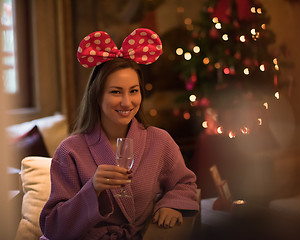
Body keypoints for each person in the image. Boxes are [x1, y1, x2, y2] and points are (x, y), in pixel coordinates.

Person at [39, 28, 199, 240]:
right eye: (116, 92)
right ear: (97, 95)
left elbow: (185, 183)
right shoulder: (69, 151)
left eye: (133, 91)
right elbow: (53, 227)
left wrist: (171, 205)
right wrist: (92, 189)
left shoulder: (159, 141)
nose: (127, 102)